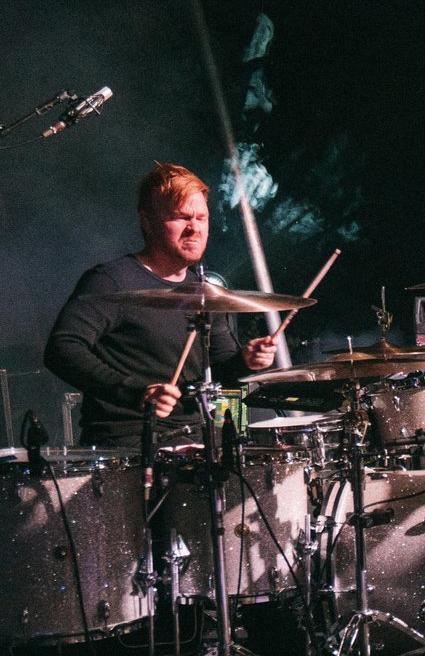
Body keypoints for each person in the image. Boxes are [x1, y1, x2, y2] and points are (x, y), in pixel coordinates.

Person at [45, 163, 276, 448]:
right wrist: (136, 393)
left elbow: (225, 377)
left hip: (197, 443)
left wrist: (247, 363)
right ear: (147, 222)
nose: (194, 228)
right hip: (130, 445)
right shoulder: (111, 281)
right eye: (181, 218)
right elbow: (62, 349)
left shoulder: (207, 293)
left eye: (201, 218)